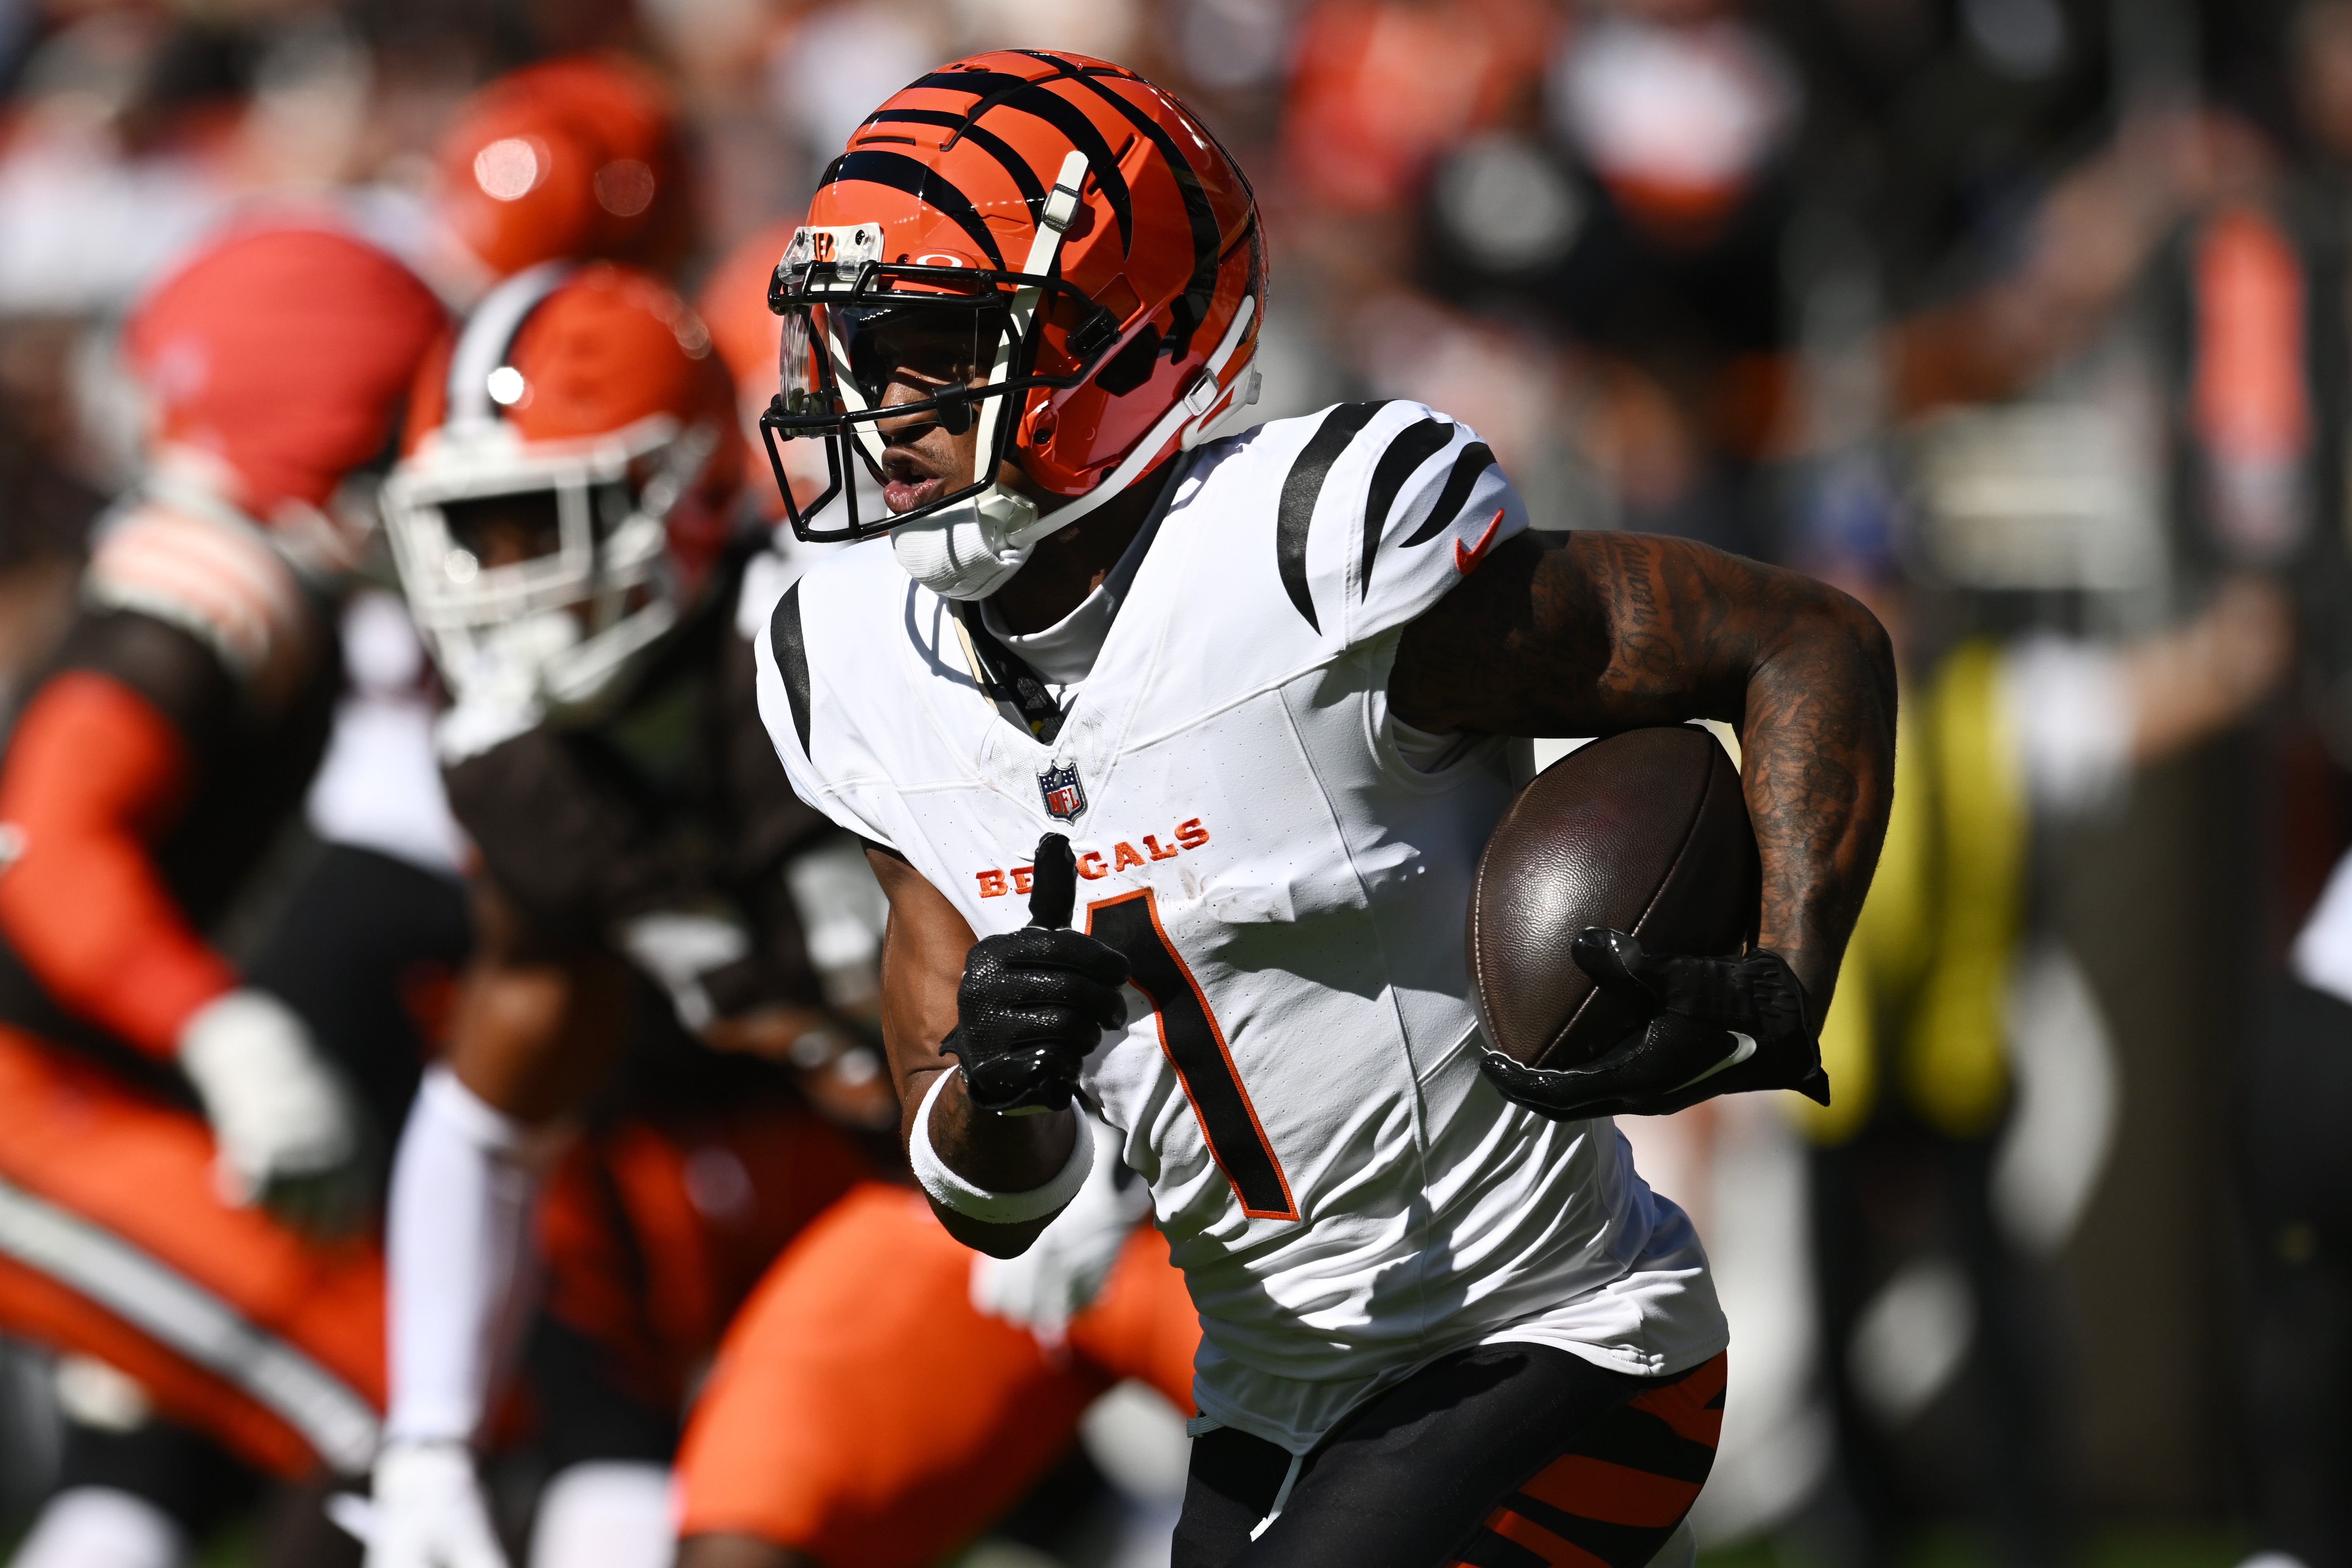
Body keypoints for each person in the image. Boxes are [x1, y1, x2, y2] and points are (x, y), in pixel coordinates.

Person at [752, 49, 1896, 1568]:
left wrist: (1782, 968)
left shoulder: (1307, 561)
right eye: (853, 349)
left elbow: (1803, 639)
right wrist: (1002, 1085)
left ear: (1127, 343)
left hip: (1556, 1335)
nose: (874, 404)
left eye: (932, 346)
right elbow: (992, 1202)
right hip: (1271, 1397)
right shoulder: (851, 668)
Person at [365, 258, 1201, 1568]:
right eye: (481, 533)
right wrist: (428, 1435)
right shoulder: (518, 770)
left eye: (546, 522)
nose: (506, 582)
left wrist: (1101, 1120)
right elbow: (487, 1114)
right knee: (743, 1541)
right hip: (960, 1200)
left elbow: (1157, 856)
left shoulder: (857, 639)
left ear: (685, 498)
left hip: (1204, 1163)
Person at [0, 223, 446, 1568]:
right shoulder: (208, 594)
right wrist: (224, 1033)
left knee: (170, 1455)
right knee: (399, 1412)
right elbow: (50, 843)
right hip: (36, 1103)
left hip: (81, 1093)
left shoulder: (239, 573)